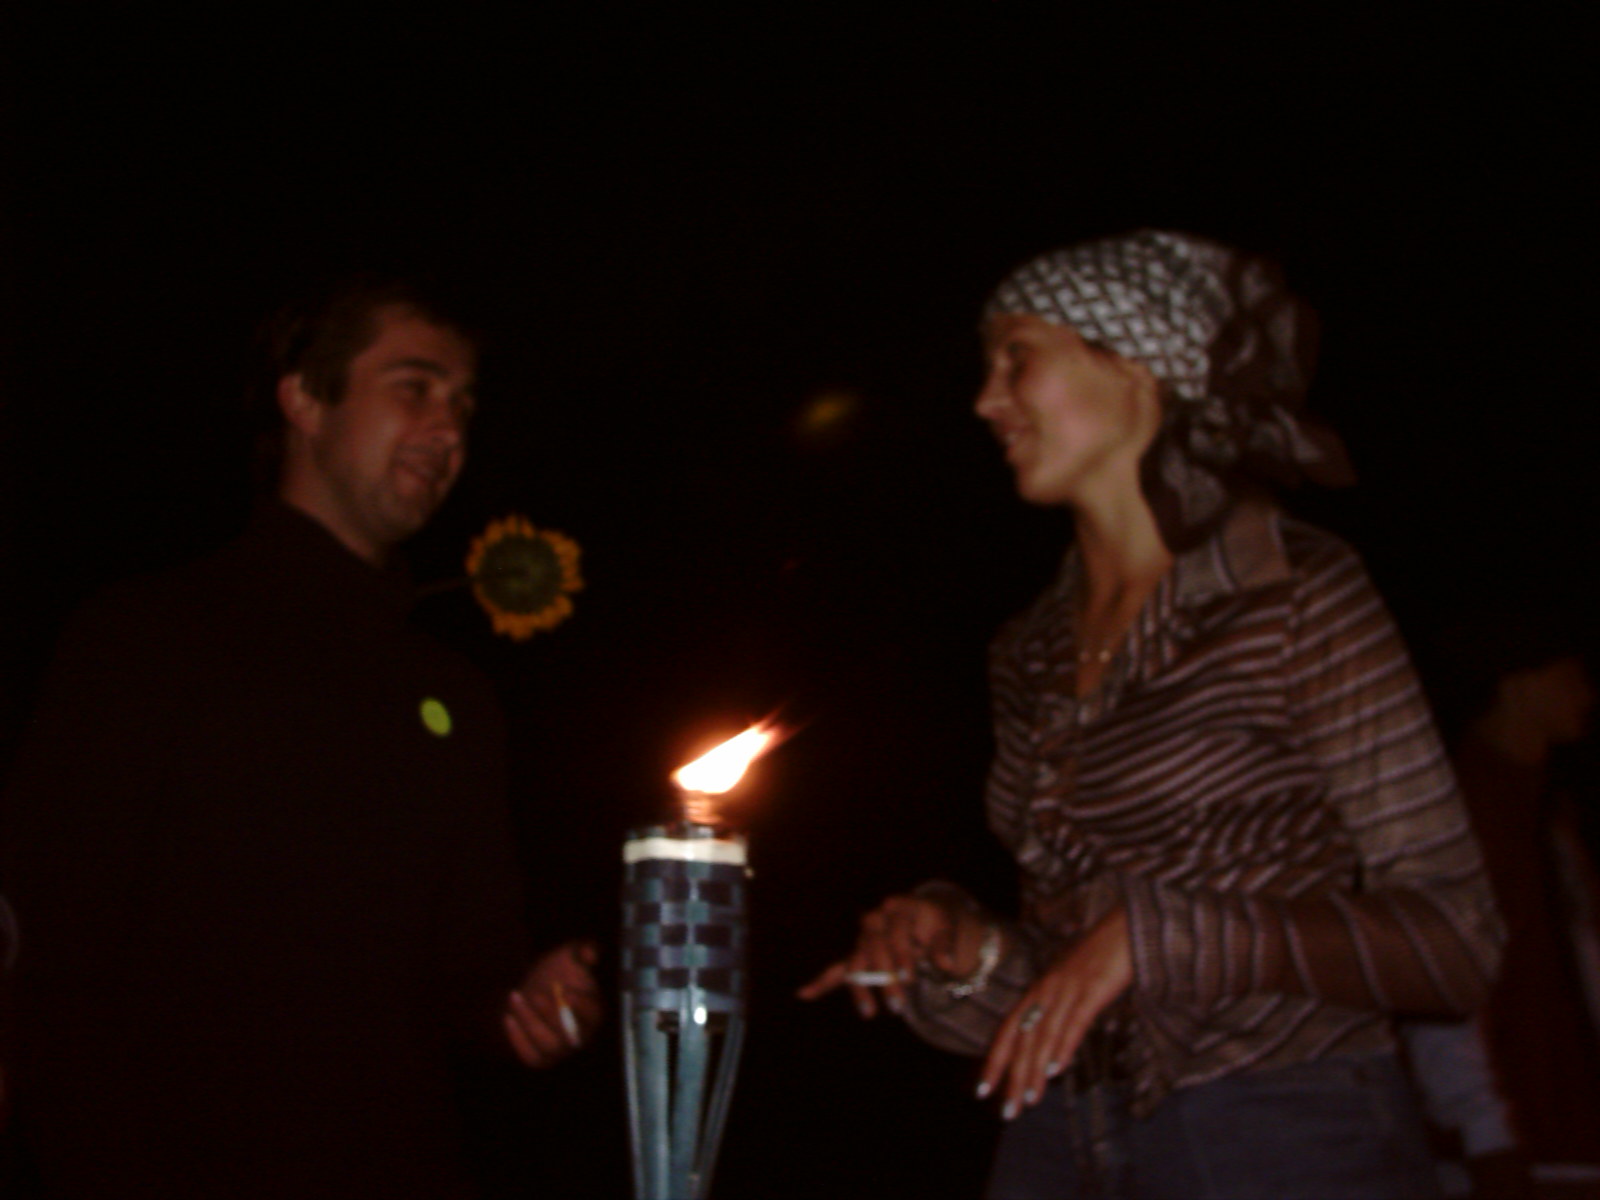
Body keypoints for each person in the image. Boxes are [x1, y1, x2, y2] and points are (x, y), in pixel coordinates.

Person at [801, 230, 1504, 1198]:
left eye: (1016, 357)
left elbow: (1454, 943)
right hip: (1058, 1128)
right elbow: (1071, 972)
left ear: (1137, 364)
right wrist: (964, 951)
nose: (985, 400)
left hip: (1283, 1128)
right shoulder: (1027, 650)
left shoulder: (1294, 592)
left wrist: (1161, 936)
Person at [0, 277, 602, 1198]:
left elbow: (470, 973)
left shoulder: (455, 695)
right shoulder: (149, 635)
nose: (448, 428)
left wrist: (529, 1004)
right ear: (305, 400)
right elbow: (42, 938)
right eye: (414, 387)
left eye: (463, 404)